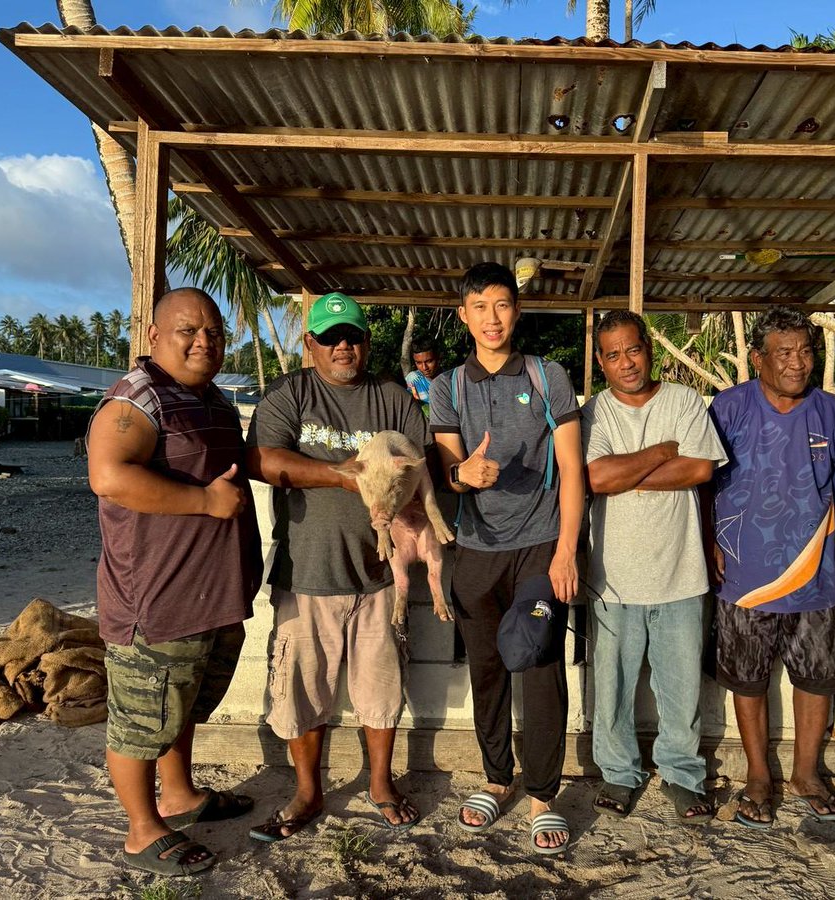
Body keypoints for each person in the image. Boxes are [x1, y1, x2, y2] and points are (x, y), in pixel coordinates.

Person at [87, 287, 263, 877]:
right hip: (155, 602)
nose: (203, 341)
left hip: (210, 597)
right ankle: (142, 830)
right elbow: (109, 477)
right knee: (140, 720)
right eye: (188, 330)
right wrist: (205, 501)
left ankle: (180, 796)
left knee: (178, 708)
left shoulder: (211, 398)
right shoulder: (136, 400)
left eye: (213, 332)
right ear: (154, 337)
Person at [245, 291, 428, 840]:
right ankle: (308, 791)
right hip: (307, 572)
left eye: (351, 336)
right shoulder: (290, 393)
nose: (342, 346)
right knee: (303, 691)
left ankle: (379, 784)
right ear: (310, 345)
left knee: (381, 686)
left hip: (380, 574)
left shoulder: (394, 397)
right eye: (329, 338)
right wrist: (340, 474)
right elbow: (261, 460)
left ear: (366, 342)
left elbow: (419, 468)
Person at [428, 261, 584, 856]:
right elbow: (448, 472)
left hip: (540, 547)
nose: (492, 319)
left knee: (539, 666)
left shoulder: (549, 376)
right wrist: (464, 474)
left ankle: (543, 795)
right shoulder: (449, 386)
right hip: (474, 551)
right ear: (463, 315)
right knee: (487, 668)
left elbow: (572, 468)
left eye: (502, 305)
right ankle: (497, 779)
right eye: (480, 307)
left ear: (516, 311)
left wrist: (567, 550)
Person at [707, 305, 835, 829]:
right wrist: (706, 541)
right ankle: (758, 776)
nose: (798, 363)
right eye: (784, 353)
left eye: (806, 351)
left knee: (818, 679)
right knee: (748, 681)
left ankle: (806, 774)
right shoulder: (727, 408)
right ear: (757, 359)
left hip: (817, 578)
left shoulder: (829, 411)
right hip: (744, 576)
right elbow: (700, 482)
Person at [581, 310, 726, 826]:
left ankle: (684, 776)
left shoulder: (685, 401)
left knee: (681, 686)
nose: (627, 362)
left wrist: (630, 470)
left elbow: (701, 468)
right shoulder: (595, 412)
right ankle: (619, 774)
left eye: (634, 350)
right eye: (614, 354)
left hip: (681, 572)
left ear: (650, 349)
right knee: (613, 688)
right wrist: (662, 452)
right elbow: (596, 476)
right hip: (612, 577)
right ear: (601, 361)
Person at [405, 340, 443, 413]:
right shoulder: (413, 379)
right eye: (419, 363)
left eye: (429, 361)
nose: (424, 367)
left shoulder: (451, 379)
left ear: (438, 358)